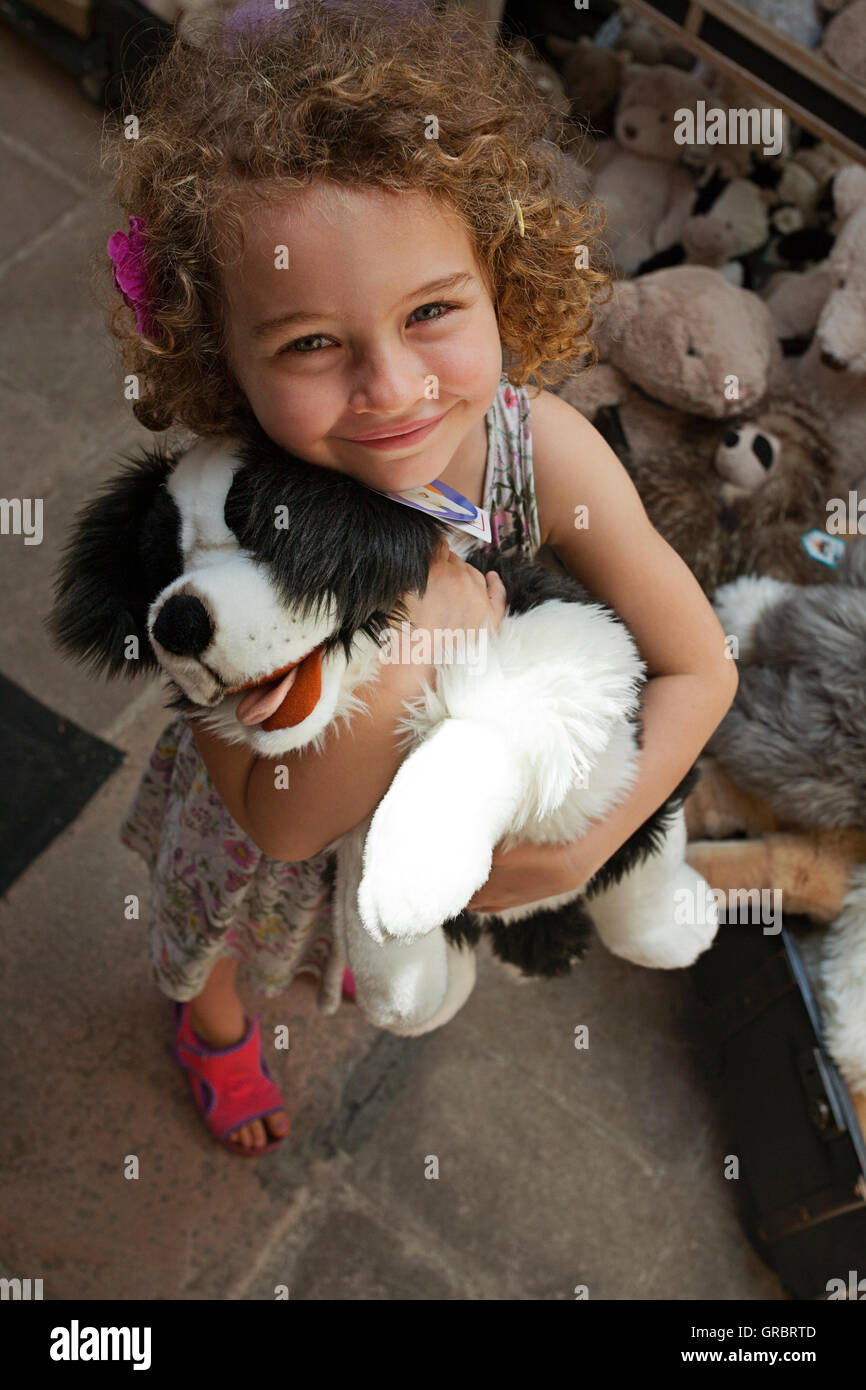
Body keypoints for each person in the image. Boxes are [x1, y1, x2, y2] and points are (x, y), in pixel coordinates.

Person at [104, 0, 738, 1156]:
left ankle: (336, 953)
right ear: (221, 358)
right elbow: (278, 822)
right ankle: (211, 1025)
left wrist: (595, 841)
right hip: (269, 834)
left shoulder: (536, 449)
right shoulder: (220, 525)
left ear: (503, 278)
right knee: (228, 930)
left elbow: (699, 665)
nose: (391, 387)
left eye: (433, 310)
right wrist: (413, 653)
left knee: (352, 939)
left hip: (433, 818)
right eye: (308, 342)